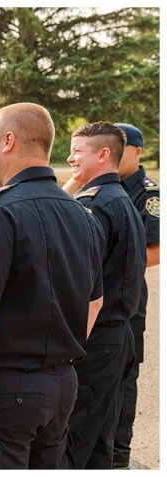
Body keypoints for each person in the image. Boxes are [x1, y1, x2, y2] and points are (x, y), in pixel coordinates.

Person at [0, 103, 104, 469]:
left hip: (1, 392)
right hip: (60, 387)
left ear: (8, 141)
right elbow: (94, 303)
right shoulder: (82, 214)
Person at [61, 122, 145, 469]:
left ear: (103, 154)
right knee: (99, 444)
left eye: (78, 151)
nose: (70, 159)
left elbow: (83, 284)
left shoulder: (96, 205)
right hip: (115, 336)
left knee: (73, 441)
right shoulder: (119, 198)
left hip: (95, 340)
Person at [110, 123, 159, 469]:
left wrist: (116, 267)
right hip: (96, 296)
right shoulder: (102, 182)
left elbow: (156, 250)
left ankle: (118, 453)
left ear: (137, 151)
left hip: (127, 298)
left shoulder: (147, 193)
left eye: (120, 147)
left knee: (124, 373)